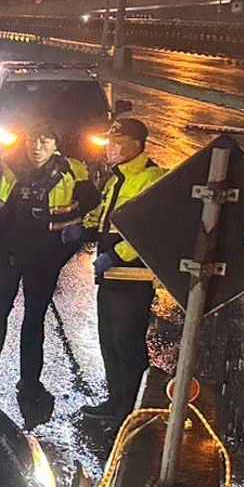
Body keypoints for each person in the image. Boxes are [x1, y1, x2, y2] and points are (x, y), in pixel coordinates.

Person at [0, 120, 100, 425]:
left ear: (55, 145)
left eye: (45, 141)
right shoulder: (7, 163)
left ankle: (30, 382)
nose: (37, 147)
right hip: (7, 255)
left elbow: (93, 201)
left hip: (44, 258)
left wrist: (71, 238)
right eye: (32, 141)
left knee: (34, 320)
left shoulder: (72, 170)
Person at [80, 117, 166, 420]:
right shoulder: (117, 178)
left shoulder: (151, 178)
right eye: (108, 142)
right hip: (110, 275)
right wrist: (83, 227)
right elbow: (105, 216)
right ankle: (115, 402)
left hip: (132, 276)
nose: (109, 148)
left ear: (136, 146)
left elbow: (150, 231)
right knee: (109, 341)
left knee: (127, 344)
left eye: (116, 143)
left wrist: (116, 255)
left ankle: (132, 410)